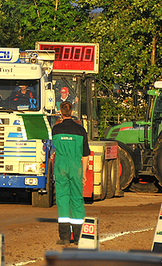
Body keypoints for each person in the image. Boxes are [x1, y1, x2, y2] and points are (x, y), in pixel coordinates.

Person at [52, 101, 90, 246]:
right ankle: (79, 236)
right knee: (77, 199)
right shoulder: (81, 130)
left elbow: (53, 147)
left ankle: (64, 238)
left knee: (62, 200)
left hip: (61, 165)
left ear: (60, 113)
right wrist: (84, 173)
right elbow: (85, 154)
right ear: (72, 112)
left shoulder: (56, 129)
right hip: (76, 167)